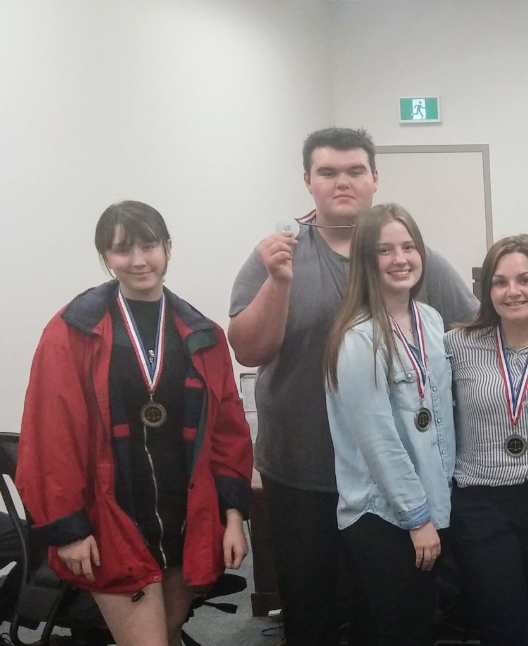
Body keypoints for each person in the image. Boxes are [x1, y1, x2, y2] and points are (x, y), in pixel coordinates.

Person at [227, 127, 477, 646]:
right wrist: (278, 283)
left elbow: (472, 330)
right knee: (308, 608)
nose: (343, 182)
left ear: (375, 178)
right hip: (302, 469)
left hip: (387, 483)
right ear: (308, 180)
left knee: (381, 609)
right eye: (328, 172)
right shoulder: (279, 254)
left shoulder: (406, 254)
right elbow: (247, 350)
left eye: (355, 171)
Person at [17, 201, 252, 646]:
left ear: (168, 248)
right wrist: (69, 529)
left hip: (184, 520)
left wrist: (234, 515)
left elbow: (228, 433)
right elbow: (50, 438)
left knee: (166, 634)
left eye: (149, 246)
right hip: (113, 521)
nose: (139, 260)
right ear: (106, 256)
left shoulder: (201, 333)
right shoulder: (72, 331)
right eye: (123, 249)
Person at [323, 204, 456, 645]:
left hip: (428, 501)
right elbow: (379, 441)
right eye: (385, 250)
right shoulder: (358, 338)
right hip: (384, 513)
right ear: (366, 260)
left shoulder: (431, 321)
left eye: (408, 247)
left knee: (412, 623)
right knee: (402, 630)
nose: (400, 259)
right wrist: (417, 519)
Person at [445, 235, 528, 646]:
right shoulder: (457, 346)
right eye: (500, 282)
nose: (513, 291)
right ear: (488, 291)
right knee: (502, 625)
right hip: (481, 503)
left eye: (525, 279)